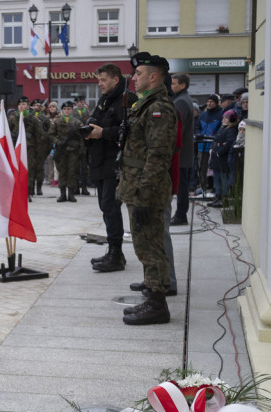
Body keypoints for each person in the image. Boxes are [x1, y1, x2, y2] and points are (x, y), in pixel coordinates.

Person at [117, 52, 177, 326]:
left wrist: (144, 193)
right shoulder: (145, 104)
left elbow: (158, 155)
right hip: (136, 186)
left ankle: (157, 306)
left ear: (153, 77)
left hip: (147, 191)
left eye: (138, 73)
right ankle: (152, 298)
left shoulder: (159, 109)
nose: (134, 77)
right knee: (144, 245)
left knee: (151, 247)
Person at [86, 63, 137, 272]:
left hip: (115, 163)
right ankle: (113, 251)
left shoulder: (127, 100)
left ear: (116, 79)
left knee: (111, 207)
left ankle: (116, 254)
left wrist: (103, 133)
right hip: (100, 162)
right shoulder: (105, 99)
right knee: (106, 208)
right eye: (98, 80)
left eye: (103, 80)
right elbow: (98, 120)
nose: (100, 84)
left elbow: (132, 131)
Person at [169, 73, 195, 226]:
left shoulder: (181, 102)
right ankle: (180, 214)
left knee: (181, 185)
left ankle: (180, 215)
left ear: (183, 85)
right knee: (181, 184)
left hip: (181, 153)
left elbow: (177, 129)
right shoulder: (182, 99)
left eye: (174, 84)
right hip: (183, 151)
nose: (171, 86)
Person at [50, 101, 83, 202]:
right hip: (61, 151)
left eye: (68, 109)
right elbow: (51, 134)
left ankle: (71, 194)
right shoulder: (57, 121)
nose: (66, 111)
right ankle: (62, 194)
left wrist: (81, 150)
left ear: (72, 110)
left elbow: (81, 138)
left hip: (73, 151)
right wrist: (58, 142)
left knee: (72, 172)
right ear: (62, 110)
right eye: (64, 109)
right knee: (62, 172)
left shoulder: (76, 122)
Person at [209, 110, 240, 208]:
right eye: (223, 118)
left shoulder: (231, 130)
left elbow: (229, 143)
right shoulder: (223, 127)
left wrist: (219, 150)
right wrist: (214, 147)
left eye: (226, 118)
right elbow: (216, 140)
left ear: (231, 119)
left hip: (222, 159)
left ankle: (223, 199)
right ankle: (217, 197)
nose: (223, 120)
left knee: (223, 179)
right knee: (217, 179)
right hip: (217, 158)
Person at [196, 94, 223, 195]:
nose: (209, 103)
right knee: (201, 167)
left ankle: (215, 188)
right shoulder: (202, 114)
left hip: (213, 146)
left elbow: (221, 128)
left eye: (211, 101)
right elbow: (197, 127)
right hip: (201, 145)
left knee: (214, 168)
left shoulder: (221, 114)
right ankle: (203, 186)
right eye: (208, 101)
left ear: (216, 103)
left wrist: (214, 137)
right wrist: (199, 134)